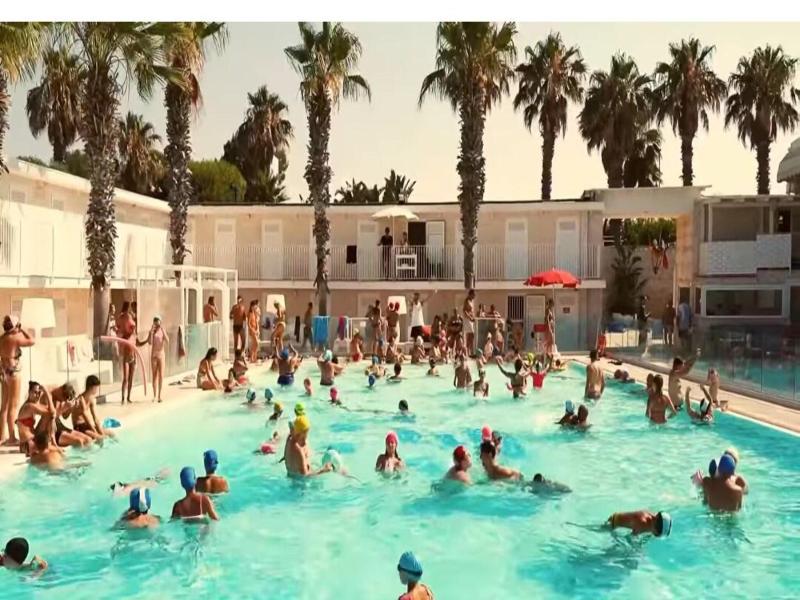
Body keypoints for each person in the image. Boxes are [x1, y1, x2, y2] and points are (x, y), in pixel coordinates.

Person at [1, 315, 35, 446]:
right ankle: (11, 437)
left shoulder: (2, 338)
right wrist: (22, 329)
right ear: (15, 326)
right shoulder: (15, 338)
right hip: (13, 372)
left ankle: (2, 436)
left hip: (3, 371)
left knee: (4, 405)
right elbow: (32, 340)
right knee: (13, 406)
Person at [136, 315, 169, 403]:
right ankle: (154, 395)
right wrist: (151, 332)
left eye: (158, 322)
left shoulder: (162, 330)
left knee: (161, 375)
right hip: (154, 355)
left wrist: (163, 330)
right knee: (154, 375)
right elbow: (150, 343)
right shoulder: (152, 332)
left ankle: (159, 395)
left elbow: (167, 341)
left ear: (160, 322)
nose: (156, 324)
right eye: (155, 322)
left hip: (161, 354)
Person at [72, 375, 112, 440]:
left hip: (87, 425)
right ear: (91, 387)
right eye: (96, 387)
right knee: (100, 438)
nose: (97, 389)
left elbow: (95, 418)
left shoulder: (91, 398)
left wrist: (100, 430)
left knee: (110, 433)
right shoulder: (80, 399)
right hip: (79, 427)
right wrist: (95, 431)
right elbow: (86, 418)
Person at [115, 302, 137, 405]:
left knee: (131, 379)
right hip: (126, 358)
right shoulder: (125, 337)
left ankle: (128, 397)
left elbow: (138, 344)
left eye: (133, 328)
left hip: (133, 358)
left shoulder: (134, 336)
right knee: (125, 378)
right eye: (131, 328)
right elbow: (120, 327)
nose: (132, 329)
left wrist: (147, 340)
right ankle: (123, 398)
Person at [607, 510, 672, 537]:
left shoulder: (649, 514)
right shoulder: (643, 524)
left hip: (614, 518)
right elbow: (631, 538)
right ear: (657, 532)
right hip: (611, 524)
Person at [462, 289, 476, 354]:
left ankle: (469, 350)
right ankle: (467, 350)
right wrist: (470, 317)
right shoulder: (467, 301)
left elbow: (471, 311)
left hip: (471, 320)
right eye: (473, 295)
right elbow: (464, 311)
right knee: (470, 334)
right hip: (467, 319)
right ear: (470, 294)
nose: (474, 296)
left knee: (471, 335)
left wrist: (473, 317)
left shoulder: (471, 301)